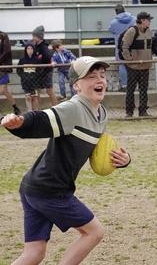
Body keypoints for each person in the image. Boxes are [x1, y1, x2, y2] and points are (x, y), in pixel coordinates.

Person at [3, 56, 131, 265]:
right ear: (76, 86)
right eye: (91, 76)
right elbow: (41, 119)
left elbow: (98, 152)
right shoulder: (74, 108)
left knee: (34, 253)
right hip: (49, 190)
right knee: (94, 232)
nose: (99, 80)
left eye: (102, 75)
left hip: (33, 186)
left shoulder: (101, 113)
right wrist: (19, 123)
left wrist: (124, 160)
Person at [121, 11, 153, 117]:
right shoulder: (132, 31)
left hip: (145, 65)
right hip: (133, 66)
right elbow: (124, 46)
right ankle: (129, 111)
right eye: (148, 20)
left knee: (144, 89)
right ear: (143, 21)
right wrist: (129, 59)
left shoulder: (149, 31)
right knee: (131, 89)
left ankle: (143, 110)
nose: (149, 22)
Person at [108, 4, 135, 91]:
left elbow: (111, 30)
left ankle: (124, 85)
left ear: (116, 12)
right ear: (124, 10)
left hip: (120, 46)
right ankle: (133, 85)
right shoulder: (134, 19)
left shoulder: (113, 23)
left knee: (122, 65)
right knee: (133, 65)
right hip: (133, 45)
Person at [31, 26, 58, 106]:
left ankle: (56, 107)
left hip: (46, 72)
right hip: (39, 72)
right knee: (37, 90)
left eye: (34, 36)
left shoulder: (44, 47)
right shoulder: (36, 46)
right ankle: (37, 109)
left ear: (39, 37)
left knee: (49, 91)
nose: (33, 38)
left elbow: (48, 57)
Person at [0, 31, 21, 114]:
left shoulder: (4, 38)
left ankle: (15, 108)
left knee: (2, 90)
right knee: (5, 91)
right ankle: (15, 107)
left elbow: (6, 52)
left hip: (3, 69)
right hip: (1, 68)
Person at [17, 43, 40, 111]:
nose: (30, 50)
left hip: (34, 82)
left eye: (31, 49)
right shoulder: (22, 60)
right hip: (25, 82)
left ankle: (36, 111)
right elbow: (18, 70)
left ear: (33, 50)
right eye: (28, 49)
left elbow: (40, 70)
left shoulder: (37, 60)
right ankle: (29, 112)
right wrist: (23, 76)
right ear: (25, 50)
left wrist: (35, 76)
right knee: (28, 97)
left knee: (34, 97)